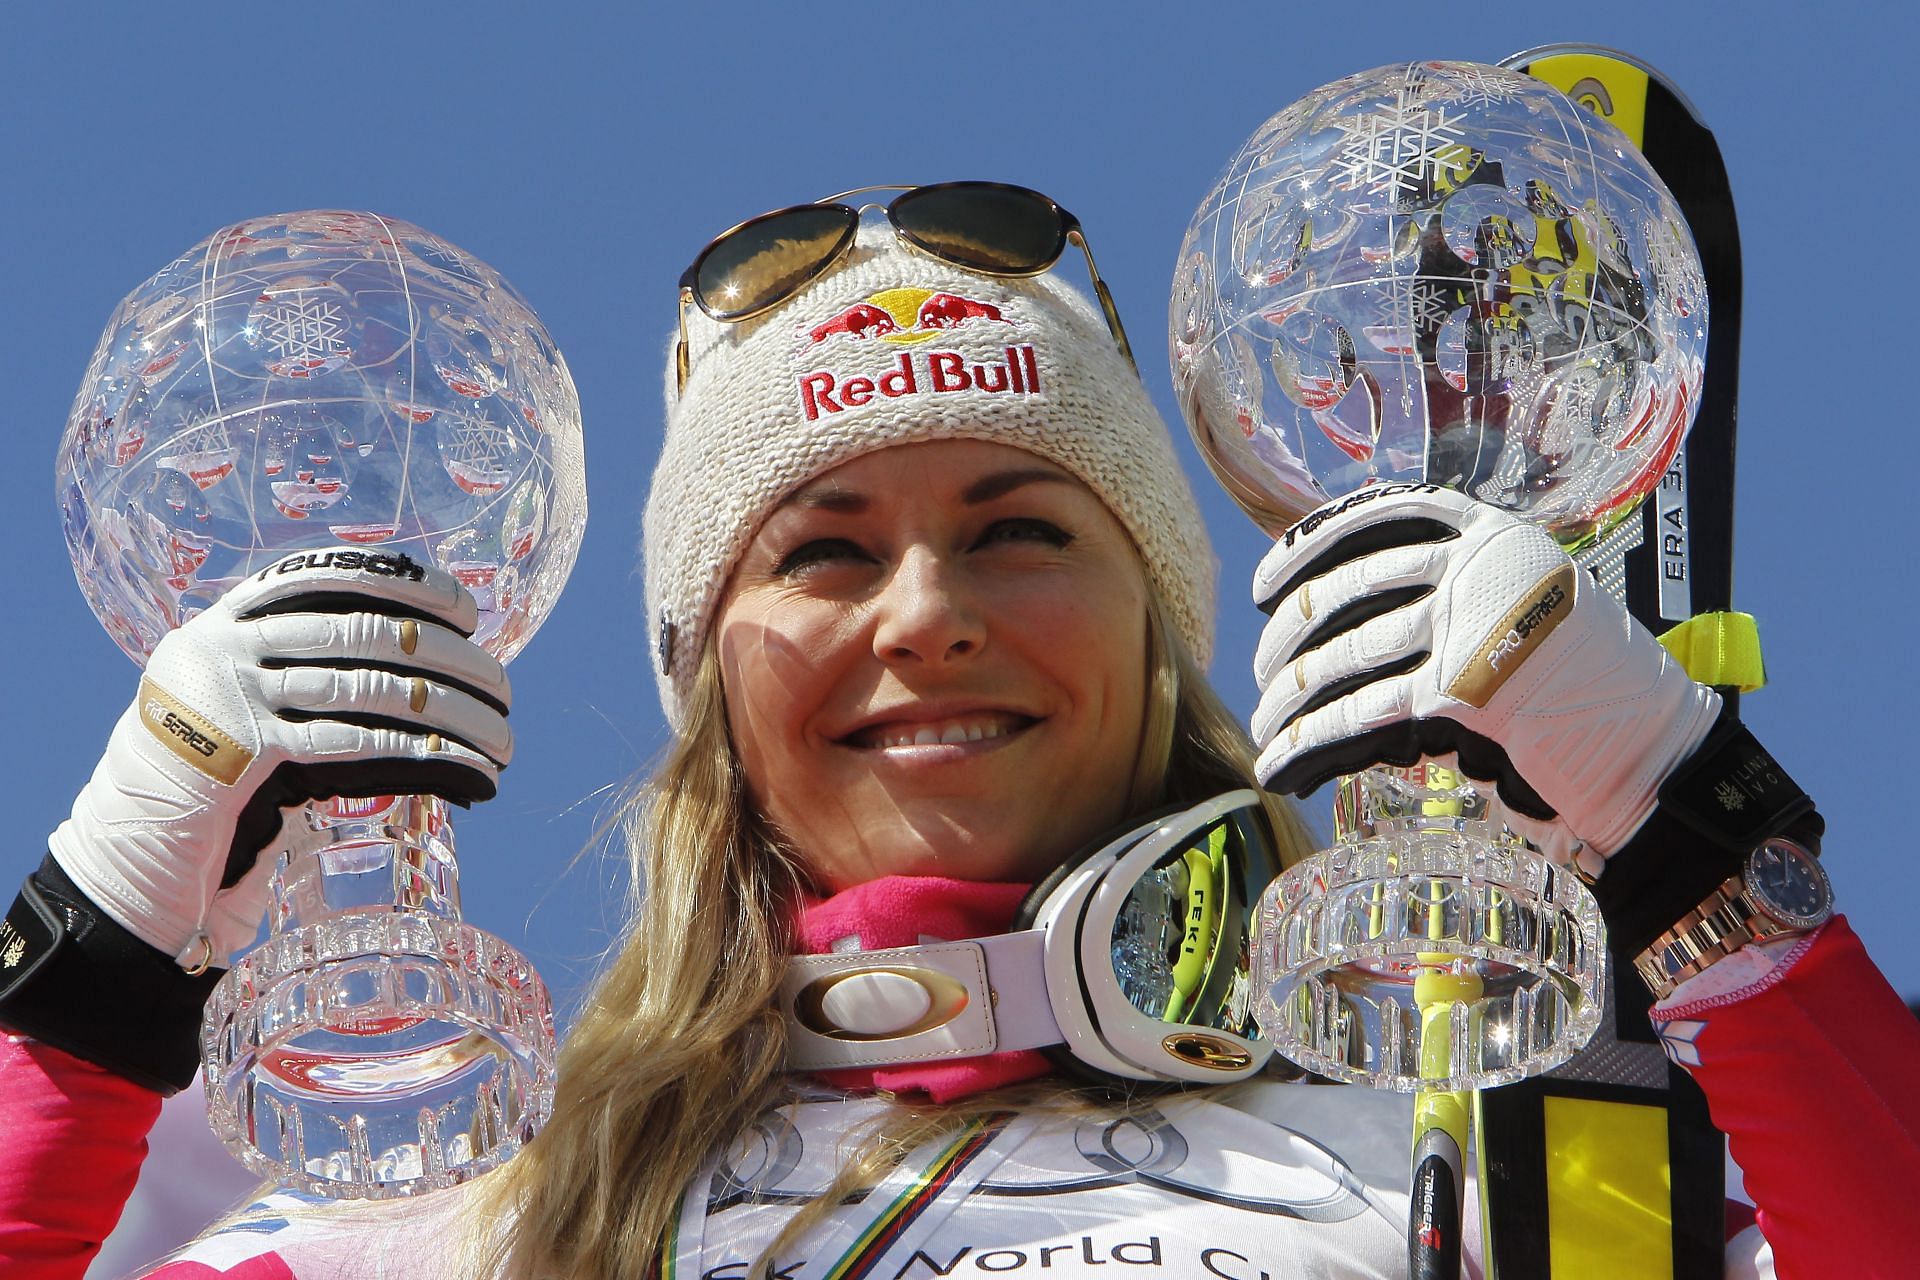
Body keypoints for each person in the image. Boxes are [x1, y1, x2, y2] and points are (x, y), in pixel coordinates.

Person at [2, 183, 1915, 1280]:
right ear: (712, 683)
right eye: (823, 554)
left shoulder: (1512, 1172)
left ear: (1166, 633)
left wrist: (1694, 849)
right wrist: (81, 976)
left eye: (1019, 529)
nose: (930, 615)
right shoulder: (448, 1234)